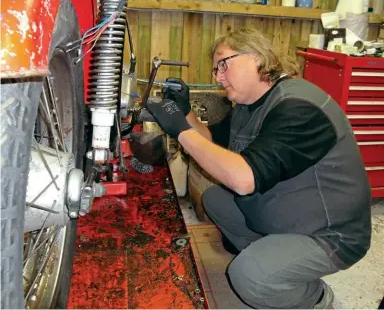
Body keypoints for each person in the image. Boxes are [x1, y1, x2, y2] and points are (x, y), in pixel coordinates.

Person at [145, 28, 372, 309]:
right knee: (216, 200)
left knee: (249, 276)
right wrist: (184, 112)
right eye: (216, 69)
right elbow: (210, 140)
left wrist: (178, 130)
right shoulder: (248, 104)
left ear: (255, 57)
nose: (217, 76)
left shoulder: (299, 107)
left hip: (329, 235)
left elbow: (243, 179)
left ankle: (316, 298)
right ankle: (273, 257)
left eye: (223, 64)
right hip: (290, 211)